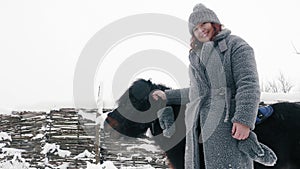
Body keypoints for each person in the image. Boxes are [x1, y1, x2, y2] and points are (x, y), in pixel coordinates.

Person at [152, 3, 277, 169]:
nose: (200, 30)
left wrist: (243, 120)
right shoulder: (195, 58)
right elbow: (196, 93)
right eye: (195, 29)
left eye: (203, 24)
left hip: (225, 128)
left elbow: (248, 83)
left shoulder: (236, 46)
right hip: (197, 130)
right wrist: (167, 96)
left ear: (214, 23)